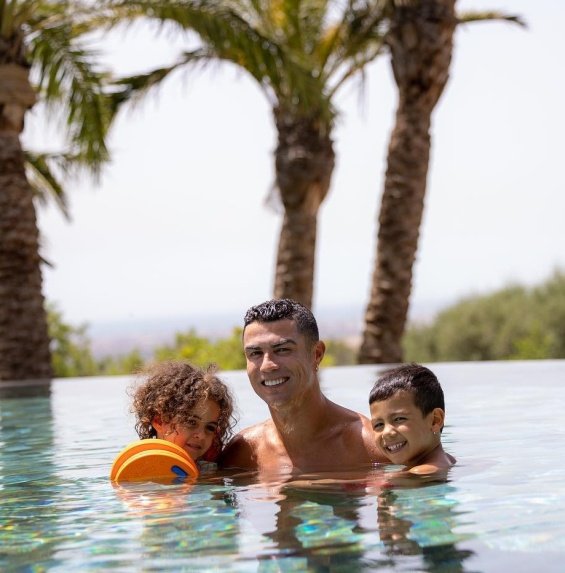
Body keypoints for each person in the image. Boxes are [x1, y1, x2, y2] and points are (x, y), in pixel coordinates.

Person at [219, 298, 387, 472]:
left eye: (282, 350)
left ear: (316, 354)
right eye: (255, 353)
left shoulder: (369, 446)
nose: (267, 365)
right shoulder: (242, 454)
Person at [130, 360, 236, 465]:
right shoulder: (137, 468)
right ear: (159, 421)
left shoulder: (210, 469)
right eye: (191, 422)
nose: (202, 436)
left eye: (210, 428)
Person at [368, 363, 455, 481]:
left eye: (399, 419)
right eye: (378, 425)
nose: (387, 432)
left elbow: (366, 485)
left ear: (435, 420)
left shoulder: (420, 472)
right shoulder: (447, 460)